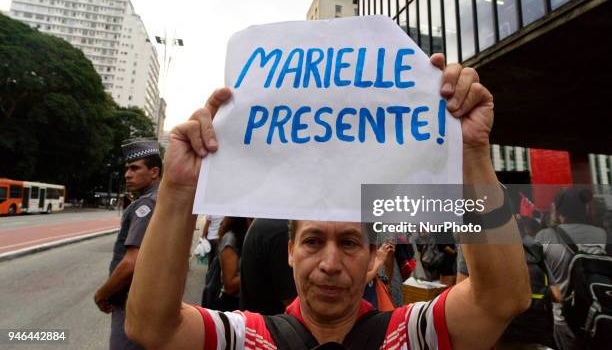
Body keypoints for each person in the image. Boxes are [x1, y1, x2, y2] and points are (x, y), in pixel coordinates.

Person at [125, 55, 531, 350]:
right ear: (289, 251)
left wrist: (473, 155)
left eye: (350, 242)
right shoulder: (245, 337)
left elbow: (502, 299)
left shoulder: (412, 334)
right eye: (313, 240)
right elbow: (151, 327)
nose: (330, 264)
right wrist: (178, 192)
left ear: (375, 257)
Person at [94, 138, 162, 350]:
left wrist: (102, 294)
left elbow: (131, 262)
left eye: (134, 168)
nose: (127, 175)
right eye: (126, 169)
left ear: (154, 172)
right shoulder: (161, 198)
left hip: (131, 303)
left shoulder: (146, 204)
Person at [535, 187, 607, 350]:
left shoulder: (545, 236)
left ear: (558, 210)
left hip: (562, 319)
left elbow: (536, 276)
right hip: (596, 313)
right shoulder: (601, 234)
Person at [240, 219, 297, 314]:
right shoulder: (281, 230)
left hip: (257, 320)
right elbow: (292, 304)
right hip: (272, 323)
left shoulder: (267, 222)